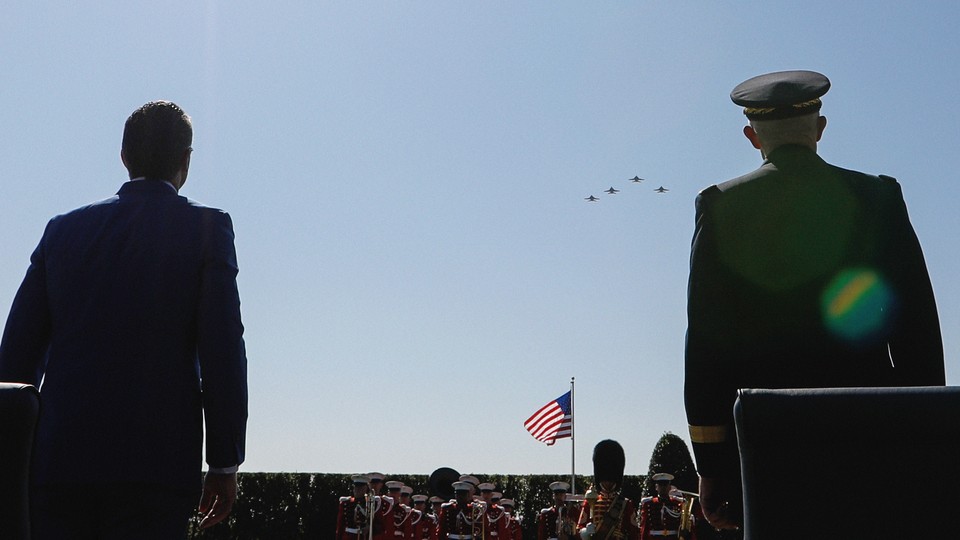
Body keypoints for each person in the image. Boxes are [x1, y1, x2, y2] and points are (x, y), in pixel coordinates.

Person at [684, 70, 945, 530]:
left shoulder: (720, 205)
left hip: (767, 444)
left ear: (751, 136)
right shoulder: (879, 198)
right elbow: (917, 334)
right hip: (872, 441)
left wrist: (711, 466)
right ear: (820, 128)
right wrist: (923, 444)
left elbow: (707, 347)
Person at [0, 100, 248, 538]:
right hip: (157, 468)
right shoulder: (208, 228)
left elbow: (17, 355)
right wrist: (224, 460)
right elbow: (223, 349)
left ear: (124, 155)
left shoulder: (62, 231)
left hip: (59, 463)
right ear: (186, 160)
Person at [577, 440, 639, 539]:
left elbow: (634, 533)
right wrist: (585, 532)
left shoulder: (625, 504)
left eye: (610, 481)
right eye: (606, 480)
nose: (608, 483)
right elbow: (579, 528)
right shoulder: (590, 502)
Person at [638, 473, 685, 539]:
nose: (663, 487)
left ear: (669, 487)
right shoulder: (649, 503)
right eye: (660, 485)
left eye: (665, 485)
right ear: (656, 487)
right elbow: (645, 526)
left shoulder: (677, 503)